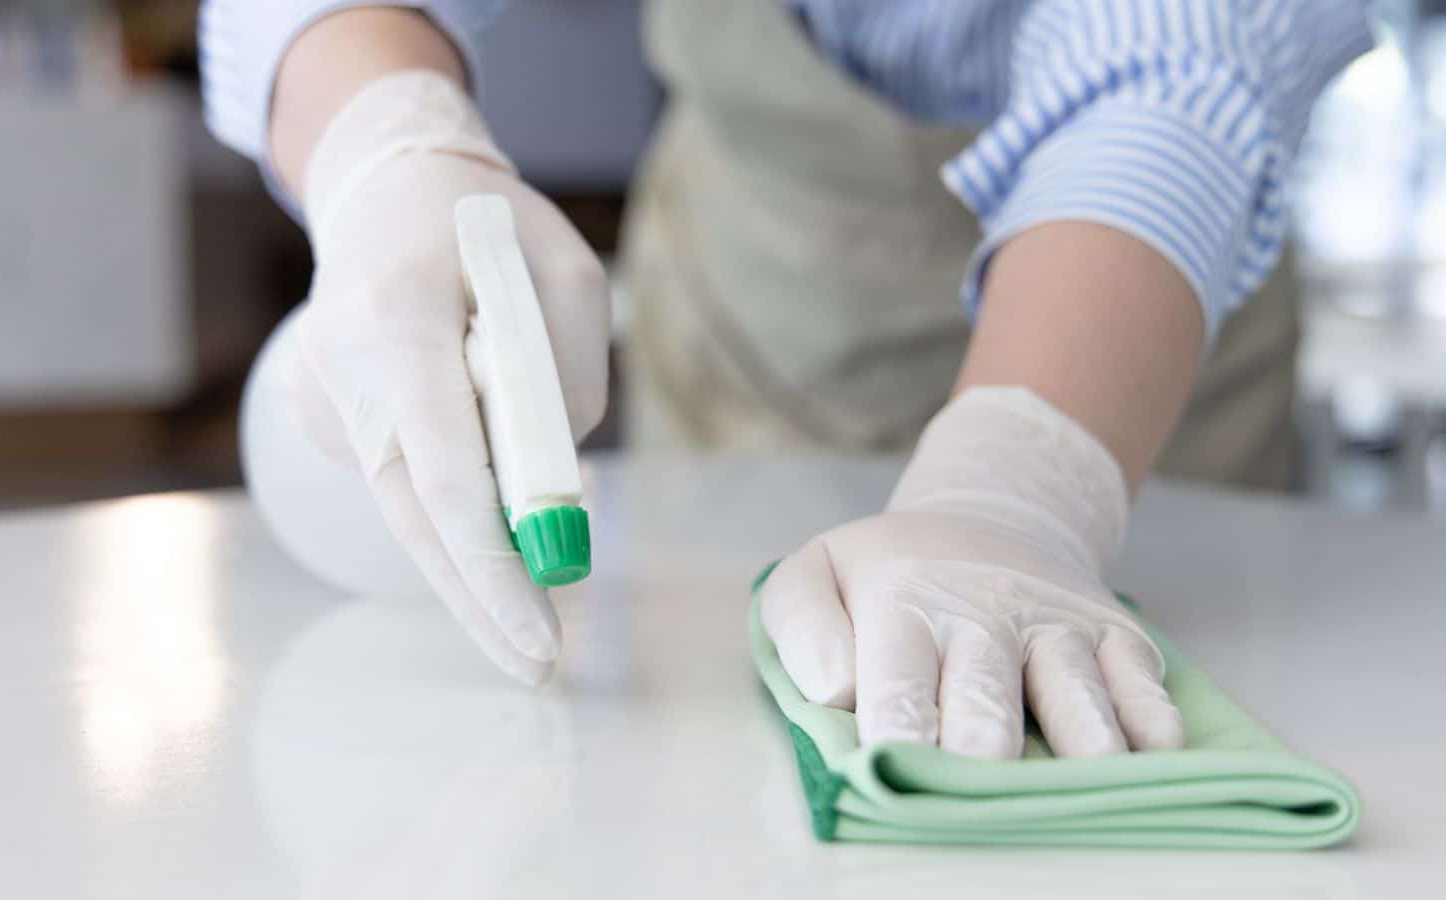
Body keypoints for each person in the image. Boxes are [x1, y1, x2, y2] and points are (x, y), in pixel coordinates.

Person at [200, 0, 1372, 759]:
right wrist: (389, 143)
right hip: (755, 313)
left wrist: (1019, 487)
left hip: (1130, 342)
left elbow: (1176, 77)